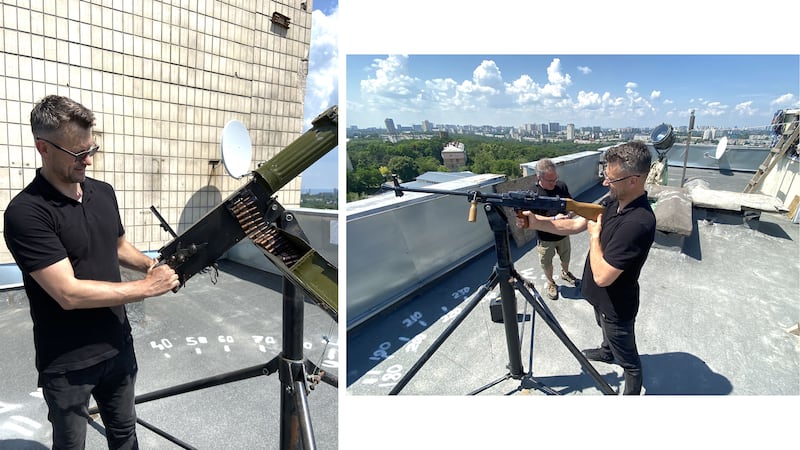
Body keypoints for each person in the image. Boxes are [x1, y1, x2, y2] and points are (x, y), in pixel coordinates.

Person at [4, 95, 180, 447]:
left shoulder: (103, 192)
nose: (88, 159)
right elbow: (68, 293)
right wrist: (147, 288)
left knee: (125, 434)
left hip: (117, 343)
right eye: (77, 153)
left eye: (91, 148)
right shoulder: (26, 213)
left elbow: (117, 247)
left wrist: (150, 265)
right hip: (68, 363)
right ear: (44, 148)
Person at [516, 141, 656, 395]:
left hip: (617, 305)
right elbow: (571, 226)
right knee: (603, 329)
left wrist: (594, 236)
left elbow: (603, 276)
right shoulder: (615, 200)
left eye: (611, 179)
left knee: (630, 362)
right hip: (599, 298)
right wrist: (535, 221)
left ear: (634, 180)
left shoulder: (639, 222)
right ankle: (606, 351)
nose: (605, 183)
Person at [529, 159, 579, 300]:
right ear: (539, 177)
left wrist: (569, 215)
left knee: (566, 257)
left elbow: (571, 205)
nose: (554, 183)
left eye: (555, 179)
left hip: (563, 233)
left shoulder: (561, 186)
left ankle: (565, 272)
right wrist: (554, 219)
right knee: (547, 262)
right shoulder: (533, 194)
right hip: (545, 237)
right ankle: (551, 282)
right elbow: (533, 218)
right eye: (550, 180)